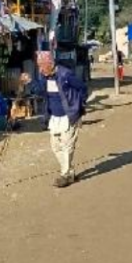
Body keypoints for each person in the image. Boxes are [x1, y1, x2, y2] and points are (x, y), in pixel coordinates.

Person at [21, 51, 88, 188]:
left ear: (50, 64)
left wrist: (79, 106)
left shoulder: (65, 74)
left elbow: (81, 88)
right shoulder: (45, 77)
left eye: (42, 65)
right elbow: (41, 90)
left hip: (68, 116)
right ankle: (69, 172)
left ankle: (65, 175)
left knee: (67, 146)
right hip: (54, 116)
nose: (40, 69)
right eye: (39, 66)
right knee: (56, 146)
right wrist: (30, 82)